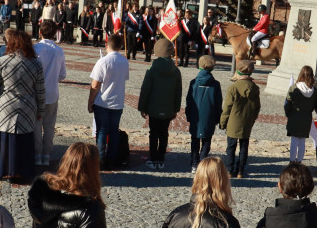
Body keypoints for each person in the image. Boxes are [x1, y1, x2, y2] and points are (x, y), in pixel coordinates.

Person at [0, 29, 45, 182]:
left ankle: (2, 170)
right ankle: (22, 171)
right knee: (24, 140)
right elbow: (41, 91)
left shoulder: (1, 62)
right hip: (27, 107)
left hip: (5, 107)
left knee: (4, 138)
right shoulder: (36, 64)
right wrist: (41, 110)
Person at [139, 38, 183, 170]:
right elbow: (178, 92)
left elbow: (145, 89)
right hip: (168, 108)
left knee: (153, 134)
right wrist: (176, 108)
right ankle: (161, 159)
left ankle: (153, 159)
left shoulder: (152, 69)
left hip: (153, 108)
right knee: (164, 133)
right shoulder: (176, 71)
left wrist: (142, 107)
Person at [88, 32, 129, 169]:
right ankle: (112, 159)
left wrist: (90, 102)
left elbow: (95, 85)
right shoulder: (124, 61)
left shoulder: (103, 61)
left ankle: (100, 160)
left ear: (106, 45)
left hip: (103, 102)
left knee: (101, 131)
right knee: (113, 132)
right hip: (117, 103)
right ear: (120, 46)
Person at [33, 20, 67, 167]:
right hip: (52, 92)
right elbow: (62, 75)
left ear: (40, 32)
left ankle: (36, 154)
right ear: (55, 34)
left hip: (36, 93)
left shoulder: (35, 49)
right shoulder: (59, 51)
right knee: (49, 126)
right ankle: (46, 154)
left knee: (36, 125)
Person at [220, 60, 261, 178]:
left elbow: (227, 107)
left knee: (231, 147)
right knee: (244, 147)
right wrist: (252, 119)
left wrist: (223, 122)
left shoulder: (233, 87)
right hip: (247, 121)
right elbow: (257, 107)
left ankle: (229, 169)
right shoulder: (255, 88)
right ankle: (240, 171)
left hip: (233, 121)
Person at [185, 54, 223, 173]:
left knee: (194, 139)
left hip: (195, 116)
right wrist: (217, 118)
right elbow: (218, 103)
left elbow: (189, 100)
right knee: (207, 140)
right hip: (209, 117)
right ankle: (203, 162)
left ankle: (194, 163)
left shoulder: (193, 83)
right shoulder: (216, 84)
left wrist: (188, 114)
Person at [285, 66, 317, 165]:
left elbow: (287, 104)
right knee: (302, 141)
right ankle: (299, 161)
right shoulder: (314, 90)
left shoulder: (294, 88)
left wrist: (288, 114)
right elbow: (314, 105)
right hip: (306, 117)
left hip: (295, 116)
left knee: (294, 140)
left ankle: (292, 161)